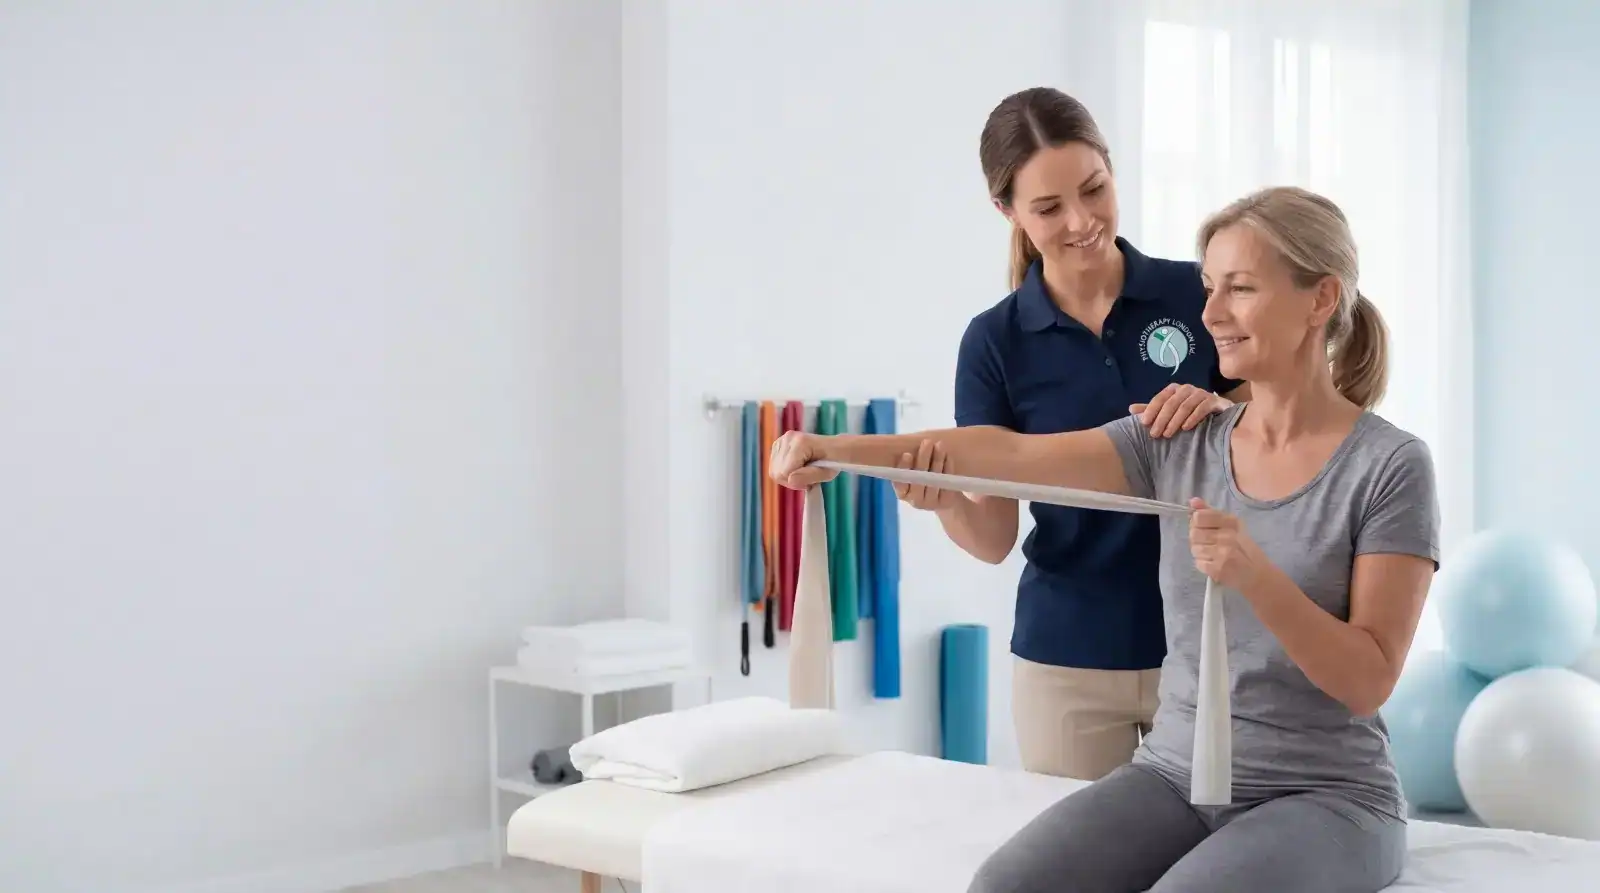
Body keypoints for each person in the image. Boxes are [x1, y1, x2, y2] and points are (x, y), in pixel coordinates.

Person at [771, 184, 1438, 893]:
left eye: (1239, 289)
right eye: (1210, 287)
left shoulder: (1389, 465)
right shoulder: (1179, 440)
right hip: (1177, 774)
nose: (1211, 313)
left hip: (1326, 793)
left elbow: (1368, 679)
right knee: (1003, 886)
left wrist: (1254, 573)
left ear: (1320, 299)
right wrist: (832, 449)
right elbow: (1007, 453)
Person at [890, 86, 1248, 782]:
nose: (1082, 221)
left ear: (1113, 169)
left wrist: (1222, 404)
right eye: (1049, 208)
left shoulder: (1194, 294)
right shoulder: (994, 342)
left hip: (1211, 639)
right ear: (1009, 212)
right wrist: (943, 501)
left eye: (1094, 189)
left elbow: (1288, 425)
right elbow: (992, 538)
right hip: (1068, 659)